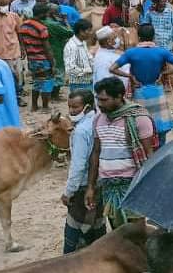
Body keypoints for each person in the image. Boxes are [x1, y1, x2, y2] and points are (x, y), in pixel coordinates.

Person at [85, 77, 156, 230]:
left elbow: (149, 154)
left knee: (137, 232)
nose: (100, 104)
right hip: (109, 185)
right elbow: (96, 153)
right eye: (98, 99)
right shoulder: (98, 120)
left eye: (104, 100)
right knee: (118, 233)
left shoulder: (139, 118)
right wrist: (90, 186)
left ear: (119, 97)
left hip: (133, 185)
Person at [111, 24, 173, 145]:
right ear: (153, 36)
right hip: (157, 93)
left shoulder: (131, 53)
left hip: (140, 94)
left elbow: (112, 68)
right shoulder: (162, 52)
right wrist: (164, 73)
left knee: (141, 132)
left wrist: (131, 76)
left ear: (139, 37)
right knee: (160, 133)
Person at [61, 88, 106, 253]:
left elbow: (78, 166)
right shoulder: (99, 120)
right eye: (70, 107)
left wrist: (68, 192)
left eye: (75, 108)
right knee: (97, 223)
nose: (72, 111)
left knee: (74, 228)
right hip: (99, 182)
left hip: (83, 186)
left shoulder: (81, 131)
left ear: (87, 107)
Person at [18, 3, 55, 111]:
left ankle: (34, 106)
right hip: (42, 59)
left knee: (36, 82)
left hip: (31, 59)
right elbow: (47, 48)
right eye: (47, 13)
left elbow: (22, 42)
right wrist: (52, 63)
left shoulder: (23, 26)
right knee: (46, 82)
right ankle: (45, 106)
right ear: (42, 14)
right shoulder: (42, 28)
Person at [63, 19, 95, 93]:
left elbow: (89, 58)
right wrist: (87, 71)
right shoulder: (72, 46)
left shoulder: (83, 42)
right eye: (89, 30)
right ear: (81, 32)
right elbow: (70, 68)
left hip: (87, 81)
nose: (91, 33)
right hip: (79, 84)